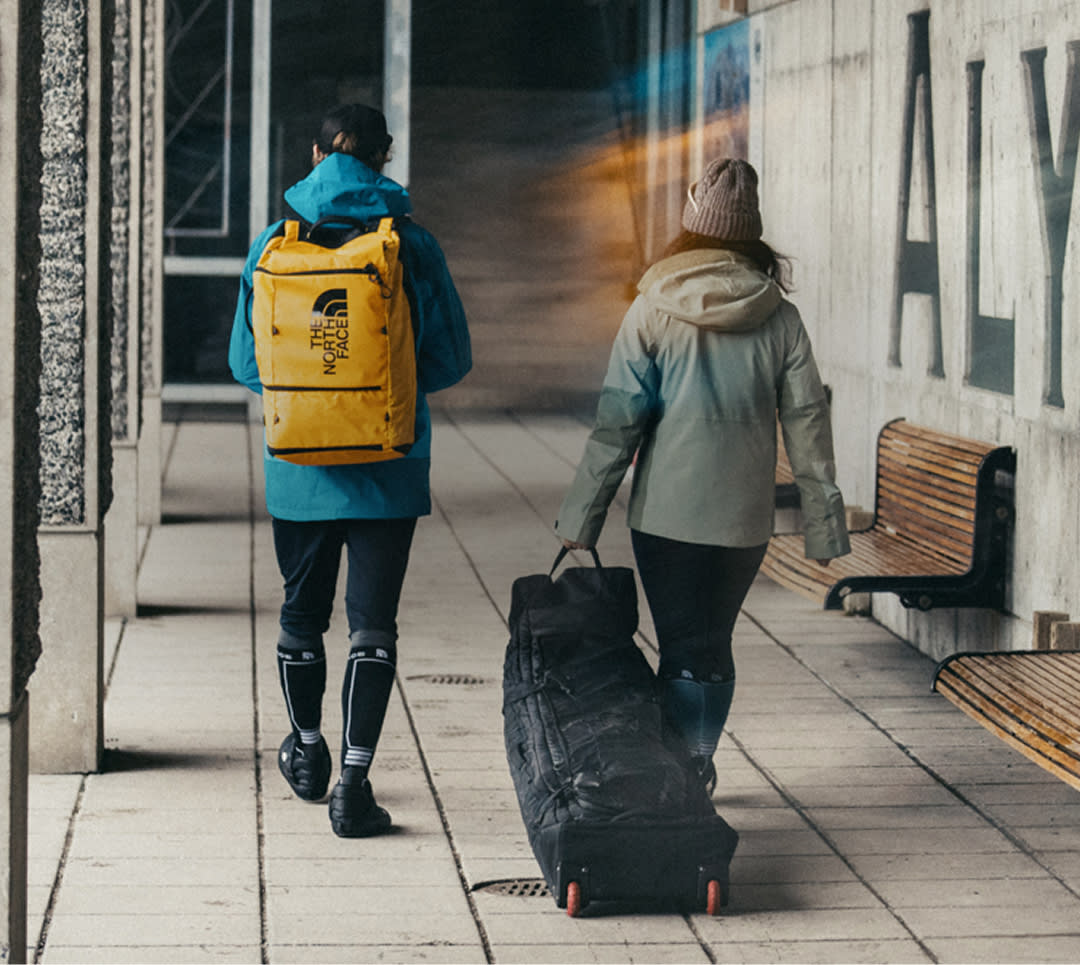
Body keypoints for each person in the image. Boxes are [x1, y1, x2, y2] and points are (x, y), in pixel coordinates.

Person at [554, 157, 849, 790]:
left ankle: (685, 771)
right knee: (711, 642)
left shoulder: (652, 308)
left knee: (679, 642)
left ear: (691, 224)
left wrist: (582, 517)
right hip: (743, 517)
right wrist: (824, 525)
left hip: (665, 514)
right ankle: (695, 759)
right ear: (752, 233)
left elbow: (617, 423)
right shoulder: (781, 317)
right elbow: (809, 424)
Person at [229, 104, 471, 837]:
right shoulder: (412, 245)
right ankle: (353, 787)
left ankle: (306, 753)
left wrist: (315, 391)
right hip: (389, 468)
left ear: (314, 155)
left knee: (301, 616)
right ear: (383, 159)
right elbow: (451, 360)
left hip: (299, 470)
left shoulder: (275, 242)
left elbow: (246, 363)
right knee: (373, 627)